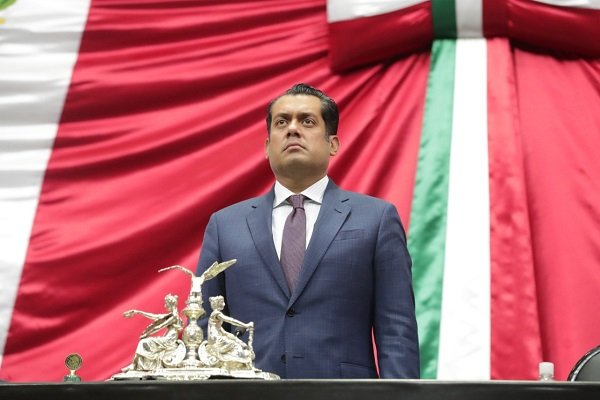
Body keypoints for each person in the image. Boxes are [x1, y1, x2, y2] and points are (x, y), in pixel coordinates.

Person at [196, 83, 419, 379]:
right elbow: (205, 329)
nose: (292, 129)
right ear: (267, 147)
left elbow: (397, 330)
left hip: (345, 394)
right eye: (281, 122)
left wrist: (403, 397)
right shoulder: (225, 226)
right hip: (248, 392)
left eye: (307, 121)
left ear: (333, 144)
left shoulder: (376, 219)